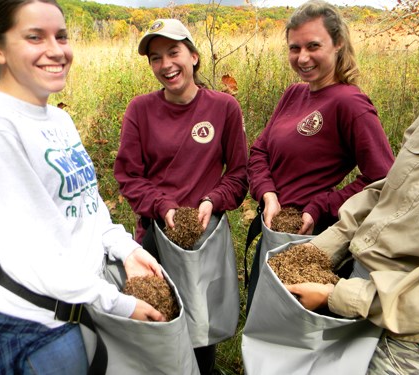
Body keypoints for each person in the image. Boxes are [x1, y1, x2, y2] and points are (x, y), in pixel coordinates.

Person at [285, 1, 419, 373]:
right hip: (357, 294)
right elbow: (388, 188)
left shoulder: (350, 103)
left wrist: (339, 294)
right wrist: (318, 252)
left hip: (415, 343)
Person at [0, 1, 166, 373]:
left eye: (61, 36)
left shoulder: (58, 118)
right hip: (34, 326)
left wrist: (125, 248)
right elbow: (34, 249)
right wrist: (118, 304)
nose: (56, 50)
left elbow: (87, 204)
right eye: (35, 37)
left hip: (81, 306)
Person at [113, 19, 248, 375]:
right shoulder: (140, 110)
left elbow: (238, 175)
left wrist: (212, 201)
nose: (166, 64)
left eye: (173, 52)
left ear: (193, 55)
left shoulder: (223, 108)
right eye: (155, 58)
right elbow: (128, 175)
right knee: (156, 329)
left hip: (204, 241)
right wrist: (162, 207)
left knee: (200, 333)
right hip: (155, 237)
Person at [246, 0, 394, 310]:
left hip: (311, 239)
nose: (302, 57)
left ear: (338, 43)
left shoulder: (350, 103)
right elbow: (260, 150)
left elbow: (382, 178)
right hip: (275, 228)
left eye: (313, 46)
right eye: (294, 48)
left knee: (287, 331)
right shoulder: (295, 93)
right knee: (262, 318)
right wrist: (268, 195)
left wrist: (319, 207)